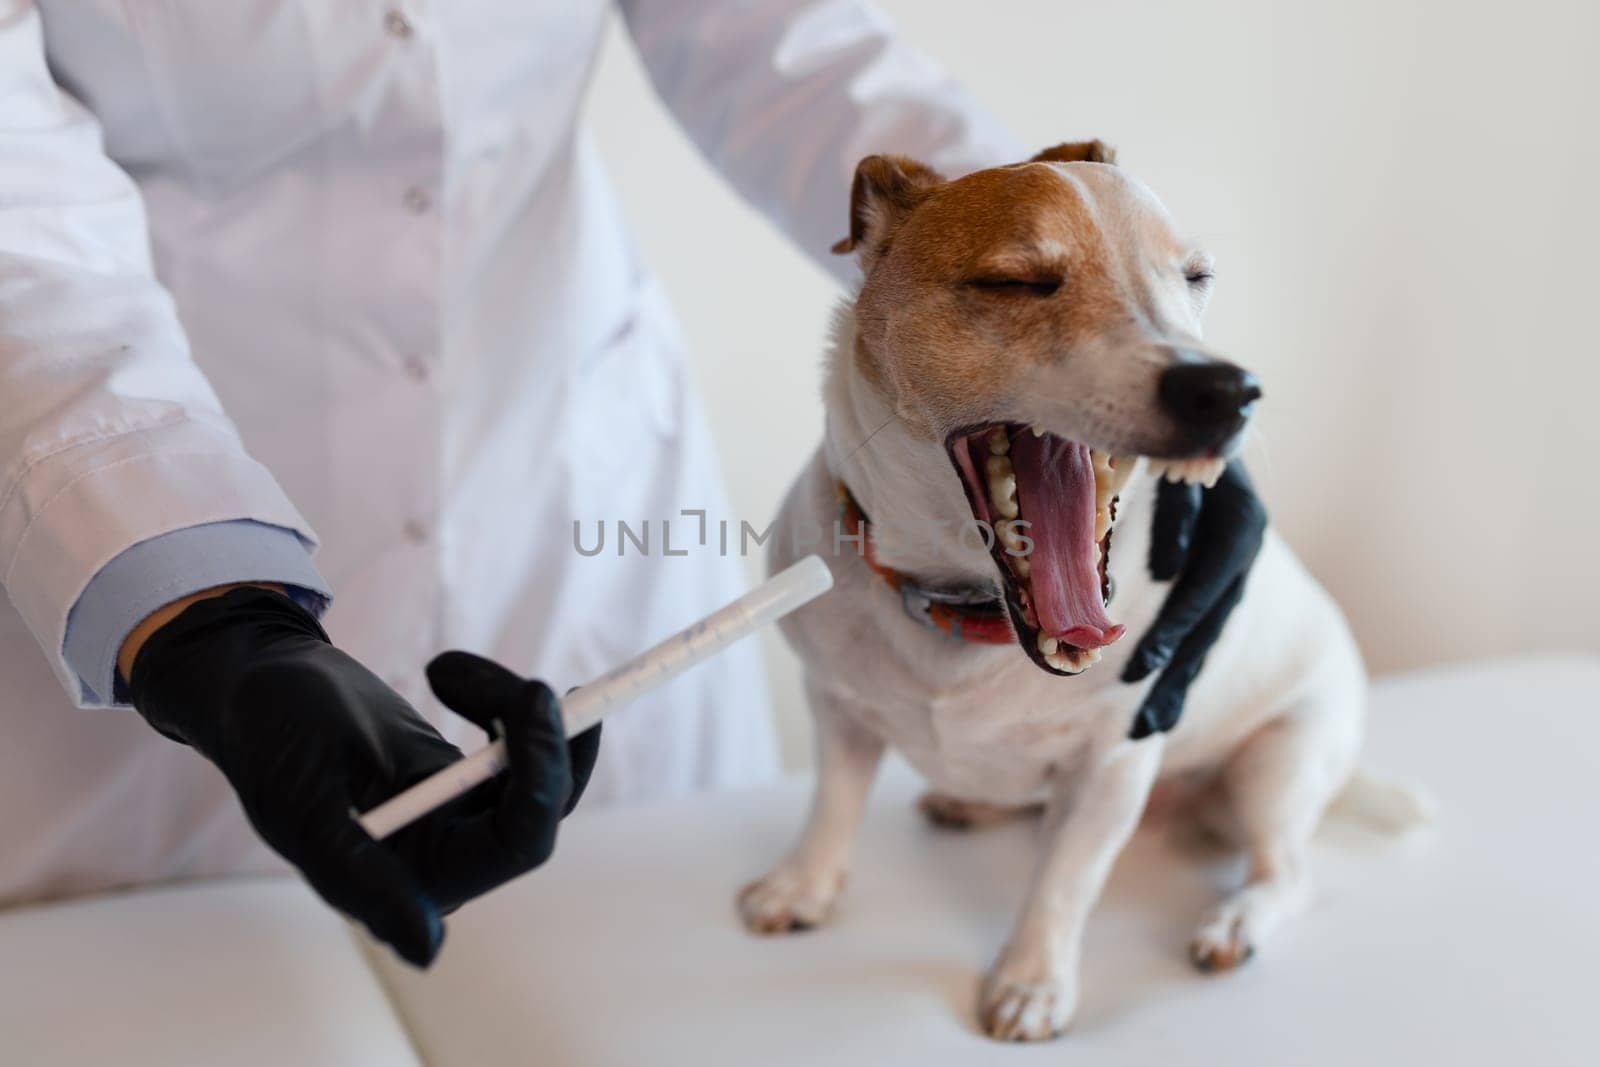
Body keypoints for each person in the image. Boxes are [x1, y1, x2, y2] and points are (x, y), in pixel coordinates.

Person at [0, 0, 1262, 965]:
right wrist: (203, 613)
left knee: (654, 969)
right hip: (121, 469)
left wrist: (1114, 345)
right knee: (192, 988)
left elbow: (790, 52)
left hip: (562, 474)